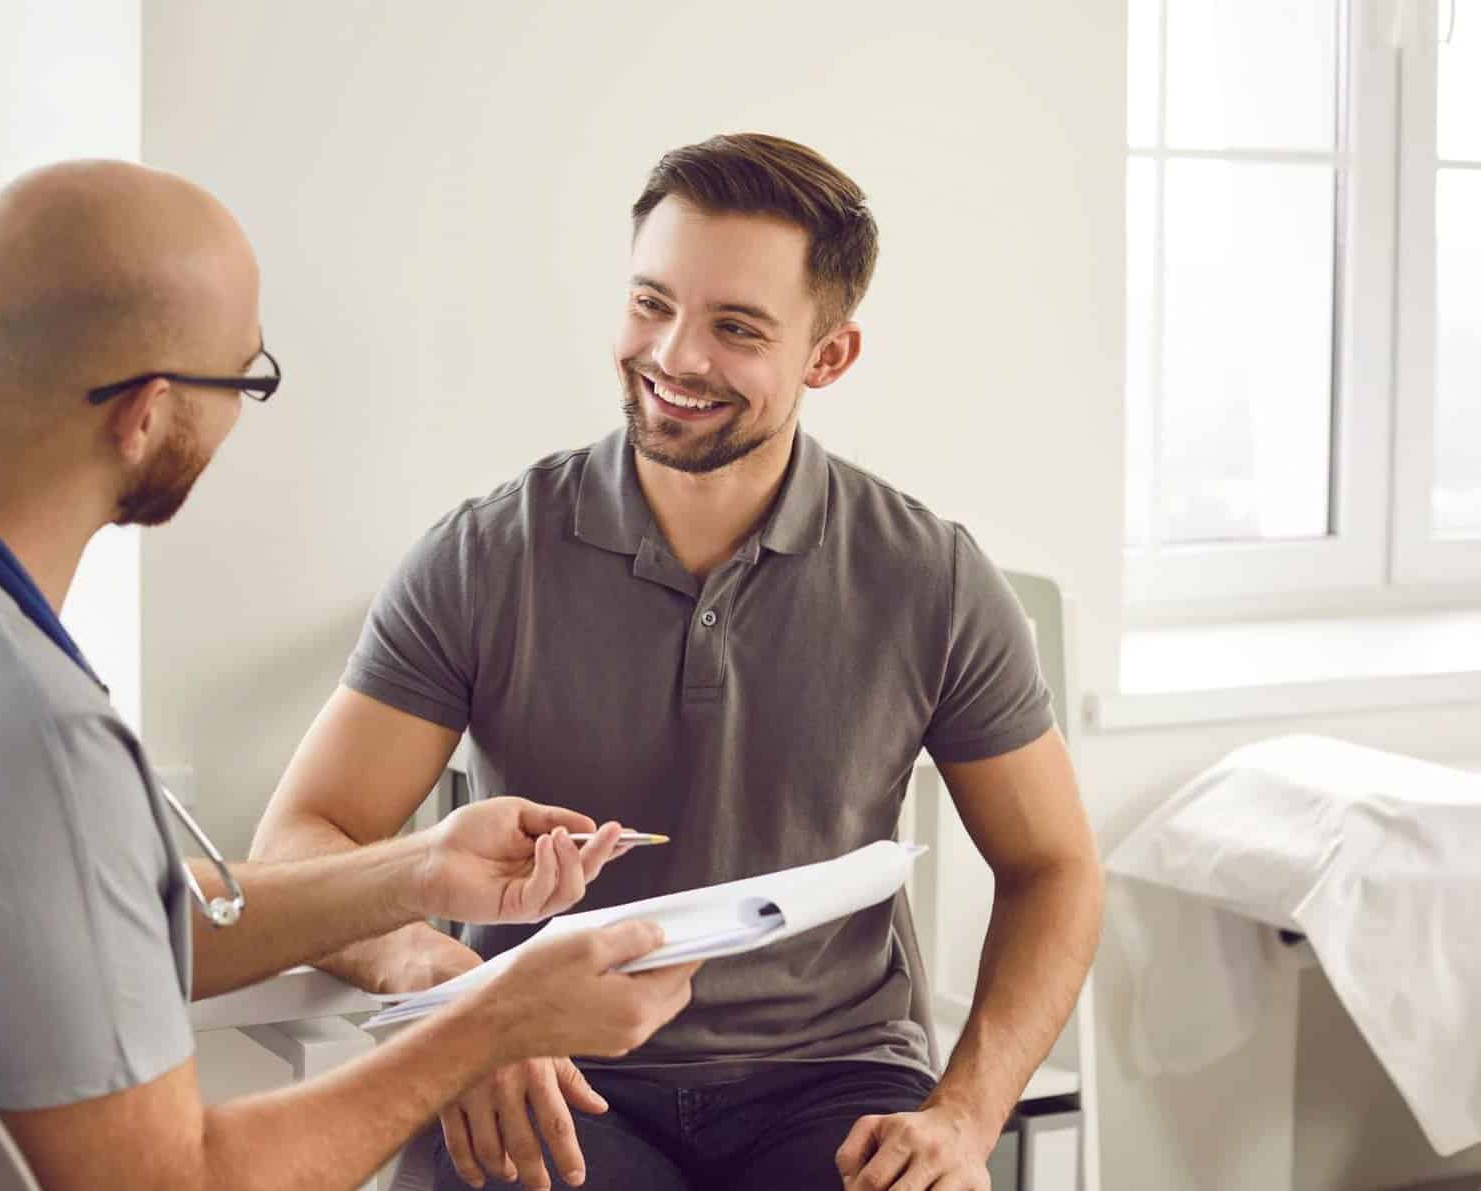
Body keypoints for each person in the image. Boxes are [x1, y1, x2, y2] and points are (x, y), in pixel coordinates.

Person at [0, 159, 701, 1191]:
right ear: (144, 413)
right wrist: (492, 1023)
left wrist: (417, 871)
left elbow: (91, 929)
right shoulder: (30, 736)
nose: (242, 413)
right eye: (246, 381)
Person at [252, 133, 1105, 1191]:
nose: (675, 356)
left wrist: (967, 1116)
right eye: (652, 304)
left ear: (827, 356)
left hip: (831, 1079)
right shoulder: (483, 556)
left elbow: (1054, 869)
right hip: (542, 1058)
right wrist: (447, 986)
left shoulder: (930, 576)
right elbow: (298, 843)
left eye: (735, 327)